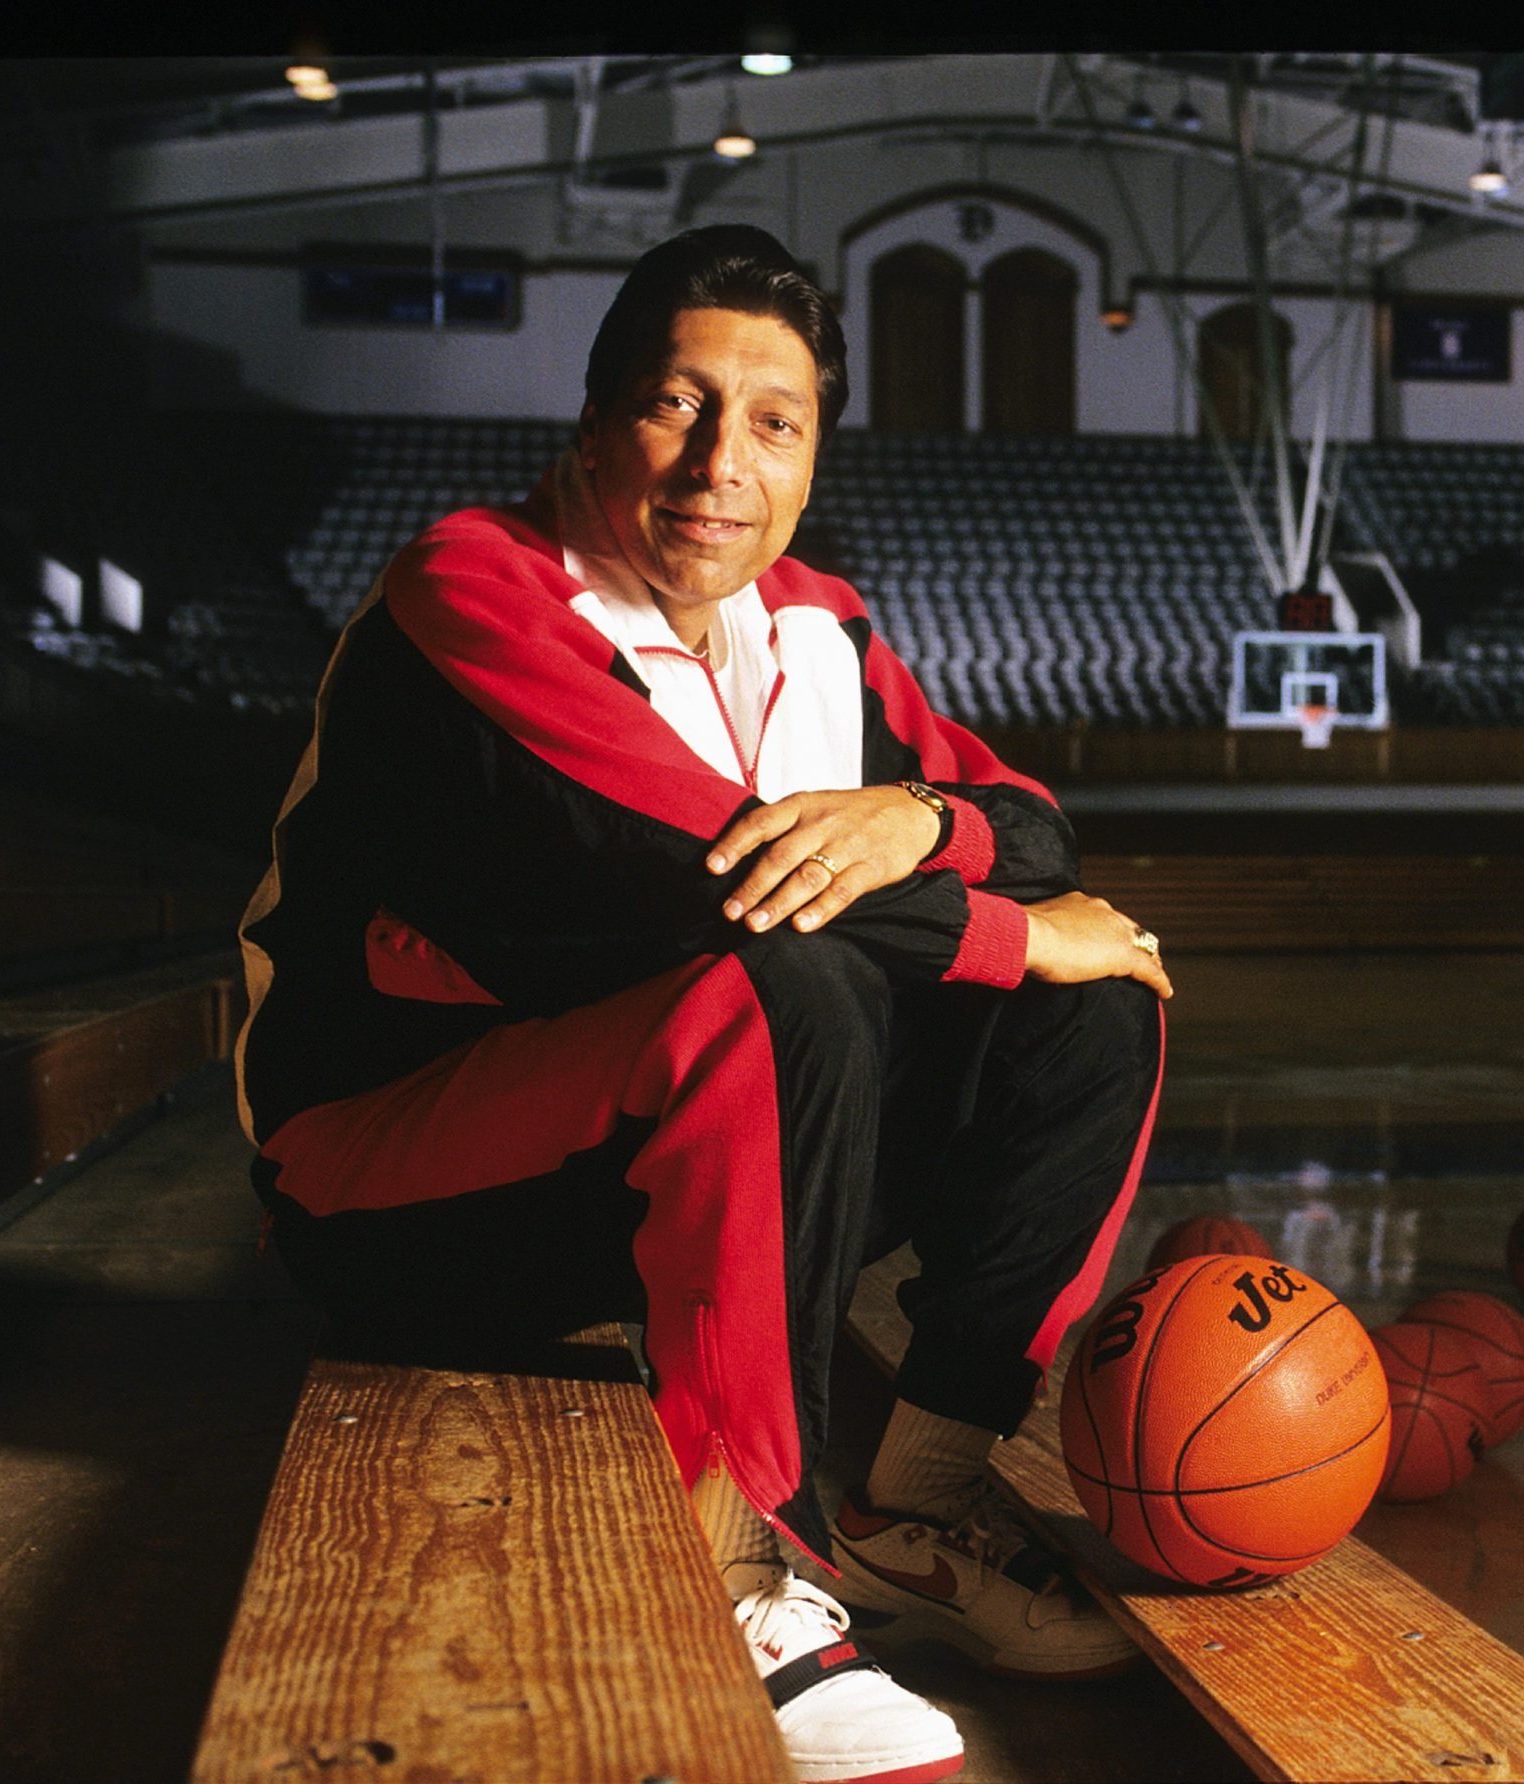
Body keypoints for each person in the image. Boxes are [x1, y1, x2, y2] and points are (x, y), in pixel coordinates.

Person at [234, 224, 1172, 1784]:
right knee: (784, 979)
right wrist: (1005, 930)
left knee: (1103, 1001)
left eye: (776, 421)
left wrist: (919, 823)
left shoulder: (822, 623)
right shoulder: (473, 587)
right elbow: (701, 887)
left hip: (676, 1139)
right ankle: (747, 1566)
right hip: (395, 1185)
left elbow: (1035, 823)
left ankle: (914, 1496)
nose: (722, 461)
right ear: (595, 423)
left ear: (814, 455)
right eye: (679, 405)